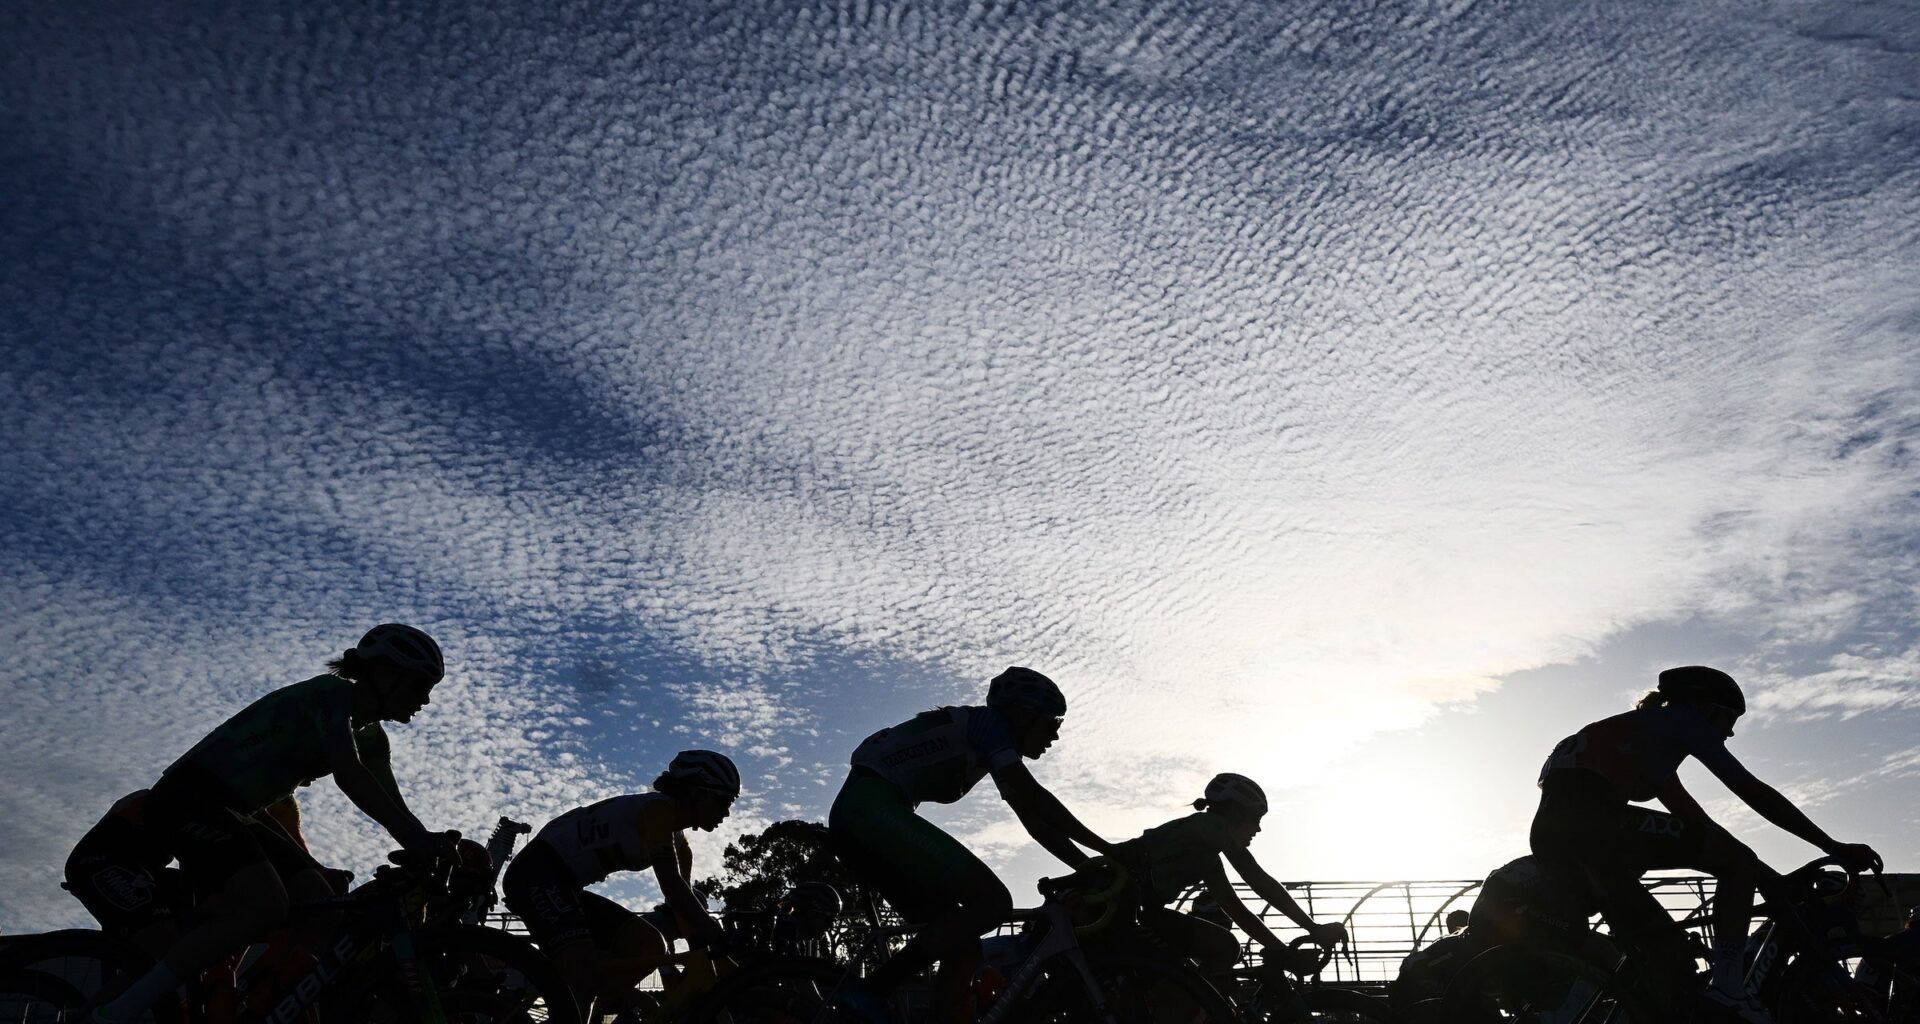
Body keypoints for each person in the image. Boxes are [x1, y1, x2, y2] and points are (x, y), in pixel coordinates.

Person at [82, 624, 451, 1024]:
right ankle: (113, 1015)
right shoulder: (332, 695)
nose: (426, 699)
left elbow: (393, 804)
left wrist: (423, 839)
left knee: (320, 901)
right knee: (266, 904)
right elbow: (350, 775)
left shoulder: (374, 740)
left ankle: (259, 1003)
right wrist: (415, 839)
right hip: (188, 797)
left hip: (236, 811)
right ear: (384, 673)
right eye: (419, 686)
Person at [1531, 665, 1882, 1023]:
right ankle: (1729, 989)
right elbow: (1751, 790)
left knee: (1669, 953)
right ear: (1705, 707)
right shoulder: (1682, 719)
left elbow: (1698, 824)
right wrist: (1831, 846)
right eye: (1730, 719)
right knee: (1736, 862)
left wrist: (1767, 876)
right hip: (1594, 824)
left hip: (1557, 836)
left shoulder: (1646, 738)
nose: (1730, 732)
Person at [828, 666, 1117, 1023]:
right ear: (1021, 714)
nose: (1055, 735)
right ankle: (871, 990)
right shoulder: (988, 726)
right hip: (869, 811)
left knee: (963, 947)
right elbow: (1033, 795)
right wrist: (1109, 850)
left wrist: (1086, 865)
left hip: (865, 813)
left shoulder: (989, 745)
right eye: (1051, 723)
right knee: (993, 901)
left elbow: (1035, 822)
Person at [500, 749, 739, 1022]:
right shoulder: (657, 810)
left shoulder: (680, 844)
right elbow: (672, 887)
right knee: (582, 973)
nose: (727, 812)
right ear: (695, 791)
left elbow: (682, 908)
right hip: (535, 873)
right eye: (723, 801)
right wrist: (717, 934)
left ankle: (590, 1007)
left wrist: (712, 953)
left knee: (649, 945)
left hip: (565, 884)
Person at [1115, 773, 1345, 982]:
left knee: (1222, 950)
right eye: (1256, 819)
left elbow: (1236, 910)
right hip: (1118, 906)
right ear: (1235, 813)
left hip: (1131, 910)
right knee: (1223, 948)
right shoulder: (1208, 825)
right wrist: (1312, 927)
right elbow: (1256, 877)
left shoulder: (1207, 857)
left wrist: (1281, 951)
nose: (1258, 829)